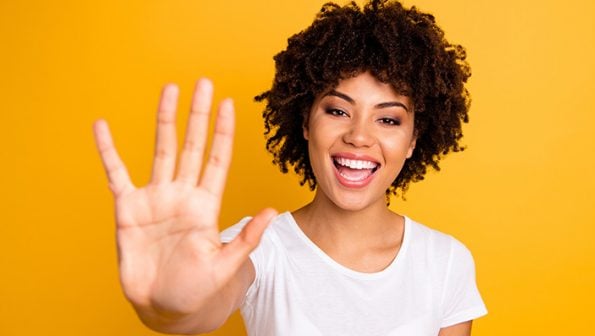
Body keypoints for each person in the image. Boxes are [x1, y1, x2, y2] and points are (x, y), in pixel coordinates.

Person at [92, 0, 487, 335]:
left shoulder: (446, 261)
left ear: (414, 138)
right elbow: (197, 306)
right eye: (337, 110)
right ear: (305, 122)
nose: (359, 136)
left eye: (388, 119)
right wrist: (167, 305)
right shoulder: (258, 247)